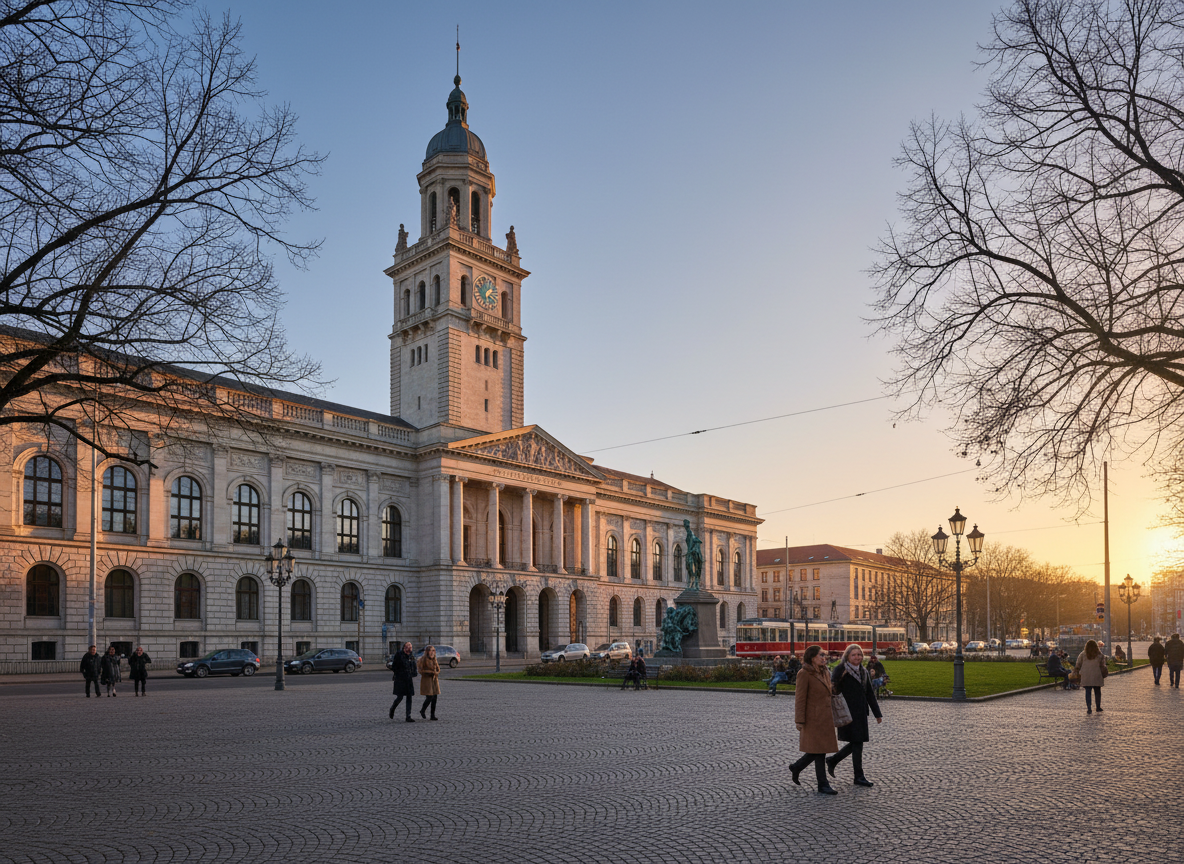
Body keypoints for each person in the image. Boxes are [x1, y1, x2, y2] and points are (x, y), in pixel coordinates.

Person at [826, 644, 883, 787]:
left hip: (861, 712)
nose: (857, 657)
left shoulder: (863, 671)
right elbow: (833, 689)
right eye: (854, 655)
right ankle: (858, 776)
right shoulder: (841, 669)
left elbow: (869, 693)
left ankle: (834, 761)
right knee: (857, 742)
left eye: (859, 655)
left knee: (858, 742)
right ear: (847, 656)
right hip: (847, 711)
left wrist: (877, 713)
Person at [789, 645, 839, 795]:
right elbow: (800, 699)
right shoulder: (804, 674)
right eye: (821, 655)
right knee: (820, 750)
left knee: (819, 750)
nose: (824, 657)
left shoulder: (825, 672)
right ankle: (822, 784)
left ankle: (797, 767)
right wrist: (799, 720)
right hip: (813, 718)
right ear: (812, 658)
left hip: (825, 717)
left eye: (824, 655)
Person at [1074, 639, 1107, 714]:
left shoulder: (1083, 654)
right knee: (1097, 691)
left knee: (1088, 692)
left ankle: (1089, 708)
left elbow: (1078, 663)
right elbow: (1102, 664)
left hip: (1086, 675)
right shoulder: (1099, 654)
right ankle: (1098, 707)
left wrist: (1076, 671)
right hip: (1096, 675)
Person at [389, 641, 418, 722]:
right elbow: (394, 666)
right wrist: (398, 673)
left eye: (410, 646)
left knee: (409, 697)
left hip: (408, 679)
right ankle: (392, 708)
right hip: (400, 679)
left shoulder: (411, 655)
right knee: (400, 697)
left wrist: (414, 673)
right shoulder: (399, 654)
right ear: (404, 647)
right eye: (408, 646)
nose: (409, 648)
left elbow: (414, 665)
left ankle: (408, 716)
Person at [418, 645, 440, 720]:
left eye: (433, 650)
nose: (432, 652)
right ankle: (423, 710)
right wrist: (430, 672)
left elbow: (438, 669)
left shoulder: (434, 659)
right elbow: (420, 671)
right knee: (429, 697)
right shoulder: (423, 659)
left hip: (434, 680)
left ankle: (432, 715)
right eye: (431, 650)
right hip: (427, 680)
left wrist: (436, 672)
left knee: (435, 697)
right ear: (427, 652)